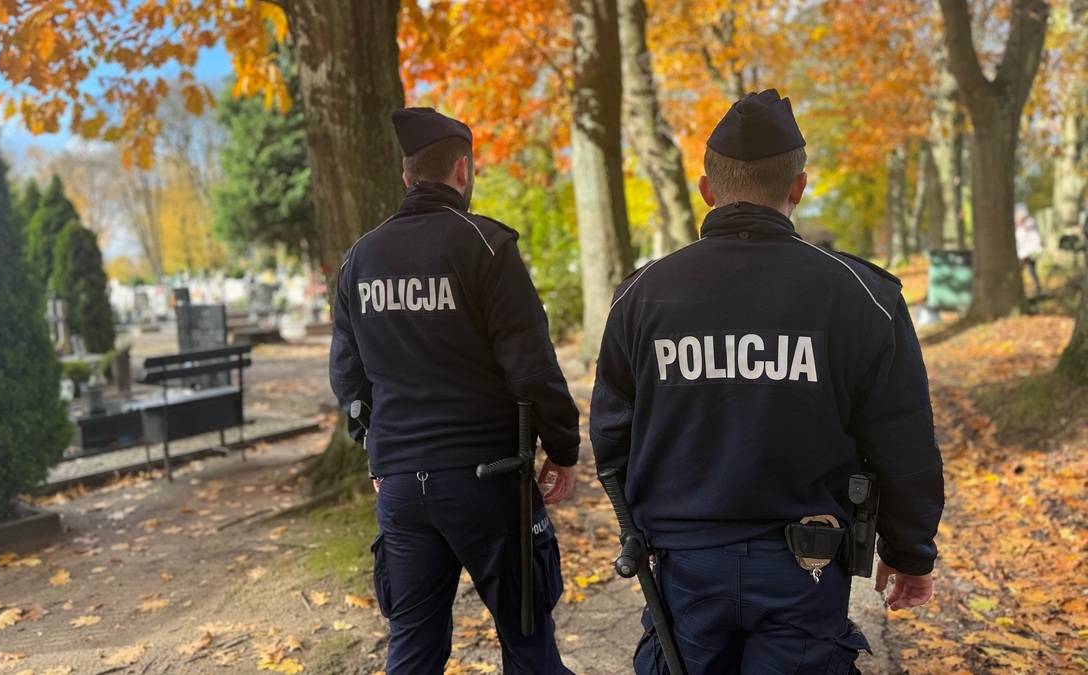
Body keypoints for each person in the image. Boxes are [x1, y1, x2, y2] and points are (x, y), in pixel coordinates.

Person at [590, 90, 945, 674]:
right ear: (797, 188)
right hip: (805, 568)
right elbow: (903, 442)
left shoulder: (641, 295)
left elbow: (610, 436)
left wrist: (642, 526)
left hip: (684, 568)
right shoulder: (862, 296)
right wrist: (909, 554)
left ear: (708, 191)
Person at [329, 107, 580, 674]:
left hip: (400, 486)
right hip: (486, 481)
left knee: (413, 651)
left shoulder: (359, 259)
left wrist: (375, 447)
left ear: (405, 176)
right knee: (528, 644)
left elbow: (348, 376)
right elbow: (532, 368)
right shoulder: (485, 246)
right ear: (462, 170)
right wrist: (562, 448)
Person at [1015, 203, 1043, 297]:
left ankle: (1037, 288)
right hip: (1021, 253)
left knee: (1032, 270)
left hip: (1029, 252)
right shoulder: (1018, 227)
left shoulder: (1030, 224)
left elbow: (1032, 239)